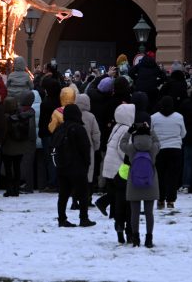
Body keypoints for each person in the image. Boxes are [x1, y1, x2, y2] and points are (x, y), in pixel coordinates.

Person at [53, 104, 95, 228]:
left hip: (62, 165)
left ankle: (62, 218)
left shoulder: (59, 128)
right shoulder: (79, 128)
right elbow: (85, 148)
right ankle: (84, 218)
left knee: (63, 194)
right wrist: (87, 164)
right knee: (82, 193)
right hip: (77, 166)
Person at [120, 122, 160, 248]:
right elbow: (158, 142)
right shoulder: (152, 148)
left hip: (134, 183)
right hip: (150, 182)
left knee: (134, 213)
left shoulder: (132, 148)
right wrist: (151, 131)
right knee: (149, 213)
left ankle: (136, 238)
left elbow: (122, 144)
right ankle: (149, 238)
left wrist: (129, 132)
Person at [102, 103, 135, 240]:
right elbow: (123, 150)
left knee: (117, 201)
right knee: (126, 203)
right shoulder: (126, 130)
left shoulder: (117, 127)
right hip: (120, 171)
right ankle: (128, 230)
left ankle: (119, 228)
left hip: (110, 170)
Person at [151, 96, 186, 209]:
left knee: (160, 175)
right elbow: (183, 133)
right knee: (173, 176)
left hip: (159, 149)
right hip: (175, 149)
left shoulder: (154, 117)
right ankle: (171, 200)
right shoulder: (179, 117)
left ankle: (160, 199)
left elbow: (151, 133)